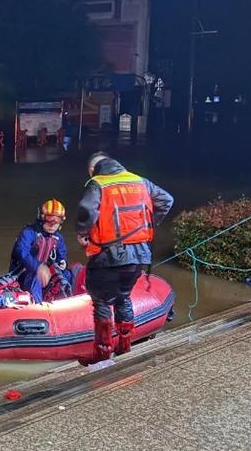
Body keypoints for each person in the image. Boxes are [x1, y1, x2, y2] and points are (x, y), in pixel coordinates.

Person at [76, 152, 173, 365]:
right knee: (124, 296)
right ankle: (124, 346)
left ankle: (101, 353)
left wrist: (82, 232)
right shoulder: (140, 181)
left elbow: (86, 209)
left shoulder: (97, 183)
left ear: (93, 170)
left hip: (108, 255)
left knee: (101, 300)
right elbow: (166, 200)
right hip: (139, 254)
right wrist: (147, 225)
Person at [10, 199, 72, 303]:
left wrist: (62, 262)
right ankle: (38, 306)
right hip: (24, 274)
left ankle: (63, 303)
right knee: (35, 276)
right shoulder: (29, 232)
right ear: (42, 218)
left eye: (57, 221)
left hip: (46, 274)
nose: (53, 225)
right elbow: (21, 252)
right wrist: (38, 267)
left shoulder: (58, 238)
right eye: (49, 220)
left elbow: (61, 255)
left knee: (66, 274)